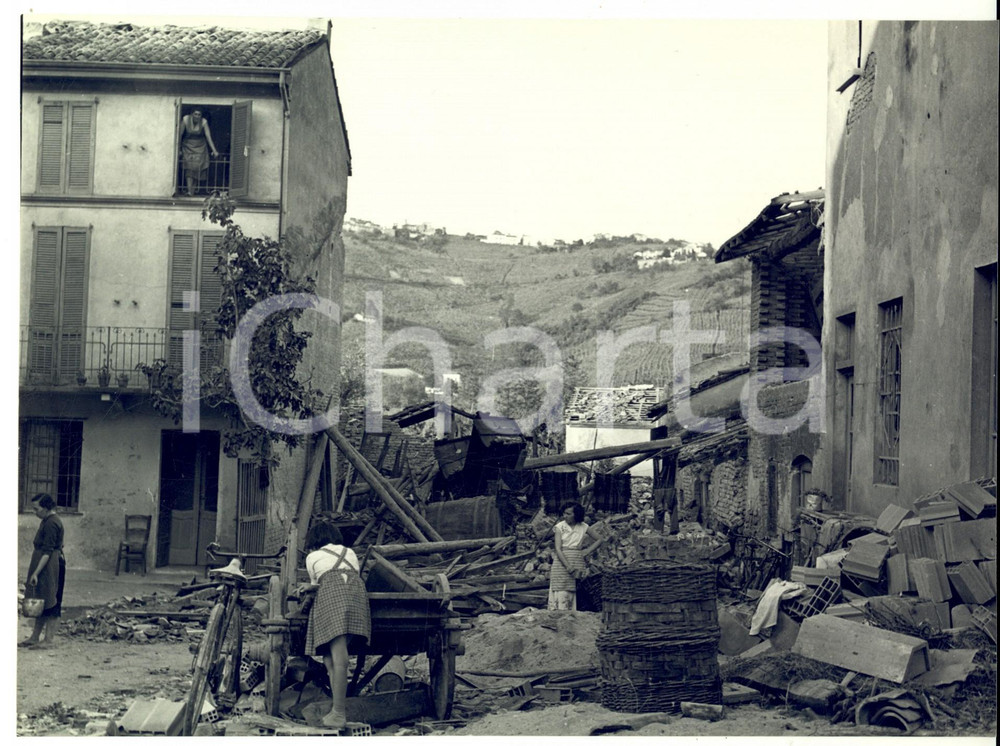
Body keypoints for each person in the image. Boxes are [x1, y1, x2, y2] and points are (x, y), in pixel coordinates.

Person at [301, 522, 370, 730]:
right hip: (356, 598)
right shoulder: (349, 552)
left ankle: (339, 713)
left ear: (314, 541)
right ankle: (335, 710)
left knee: (339, 659)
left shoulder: (312, 557)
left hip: (333, 598)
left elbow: (316, 587)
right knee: (331, 659)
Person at [20, 493, 66, 648]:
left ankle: (48, 640)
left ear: (46, 508)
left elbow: (48, 551)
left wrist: (36, 573)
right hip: (43, 563)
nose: (35, 512)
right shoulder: (46, 520)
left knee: (52, 601)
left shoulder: (52, 523)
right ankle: (35, 636)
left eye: (36, 509)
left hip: (51, 564)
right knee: (41, 599)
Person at [548, 502, 604, 611]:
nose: (565, 516)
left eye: (568, 514)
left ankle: (571, 619)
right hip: (561, 561)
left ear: (576, 514)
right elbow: (558, 549)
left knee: (573, 590)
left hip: (577, 560)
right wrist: (568, 566)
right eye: (564, 513)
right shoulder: (560, 527)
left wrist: (587, 551)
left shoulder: (583, 527)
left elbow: (600, 539)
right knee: (561, 589)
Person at [178, 109, 219, 196]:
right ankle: (189, 190)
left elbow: (208, 136)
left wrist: (214, 150)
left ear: (201, 116)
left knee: (197, 168)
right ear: (191, 114)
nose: (197, 116)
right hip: (187, 146)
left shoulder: (204, 122)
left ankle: (192, 191)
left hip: (200, 146)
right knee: (189, 167)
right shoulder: (185, 119)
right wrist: (179, 149)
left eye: (199, 114)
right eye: (195, 114)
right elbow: (180, 134)